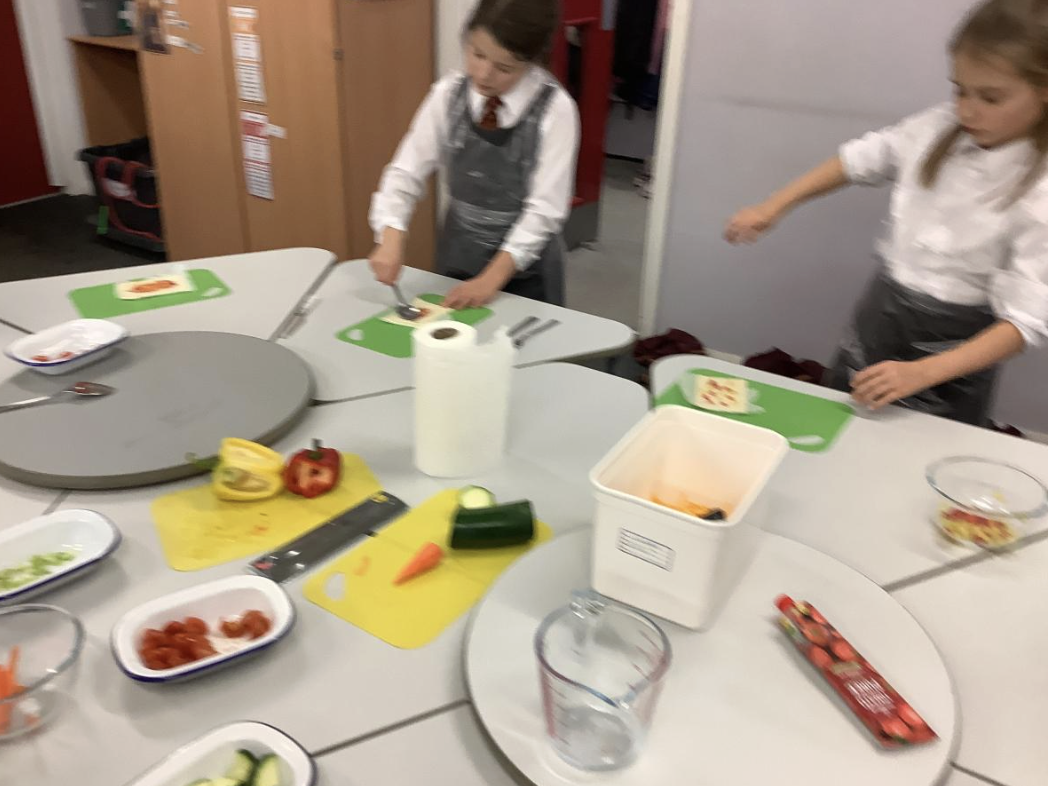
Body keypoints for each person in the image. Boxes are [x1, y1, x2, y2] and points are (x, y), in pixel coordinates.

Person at [724, 0, 1048, 426]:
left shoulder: (1039, 190)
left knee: (919, 447)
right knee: (845, 420)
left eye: (990, 97)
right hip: (884, 310)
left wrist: (922, 372)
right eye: (959, 89)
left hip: (954, 349)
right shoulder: (939, 126)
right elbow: (862, 159)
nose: (967, 109)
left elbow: (1024, 324)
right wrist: (775, 205)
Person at [368, 0, 580, 308]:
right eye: (477, 54)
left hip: (525, 270)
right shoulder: (448, 95)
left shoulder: (555, 110)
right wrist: (390, 233)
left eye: (504, 67)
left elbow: (544, 212)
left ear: (532, 61)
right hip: (457, 254)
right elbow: (406, 171)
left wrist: (490, 280)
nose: (483, 74)